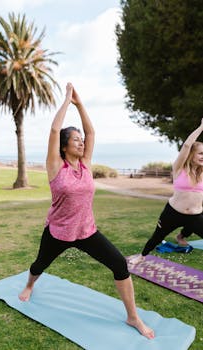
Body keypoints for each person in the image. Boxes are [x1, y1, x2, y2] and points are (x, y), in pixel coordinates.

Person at [19, 83, 154, 339]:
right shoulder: (55, 166)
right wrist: (66, 100)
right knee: (39, 265)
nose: (81, 143)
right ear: (63, 146)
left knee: (119, 265)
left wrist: (80, 105)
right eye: (75, 140)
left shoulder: (86, 165)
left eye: (81, 141)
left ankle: (133, 317)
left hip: (87, 231)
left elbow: (92, 133)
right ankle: (29, 285)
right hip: (58, 232)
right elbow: (54, 129)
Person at [130, 118, 203, 264]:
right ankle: (142, 256)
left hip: (195, 216)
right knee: (157, 236)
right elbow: (187, 144)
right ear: (191, 155)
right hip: (173, 212)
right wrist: (201, 127)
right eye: (201, 153)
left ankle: (181, 236)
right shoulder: (179, 168)